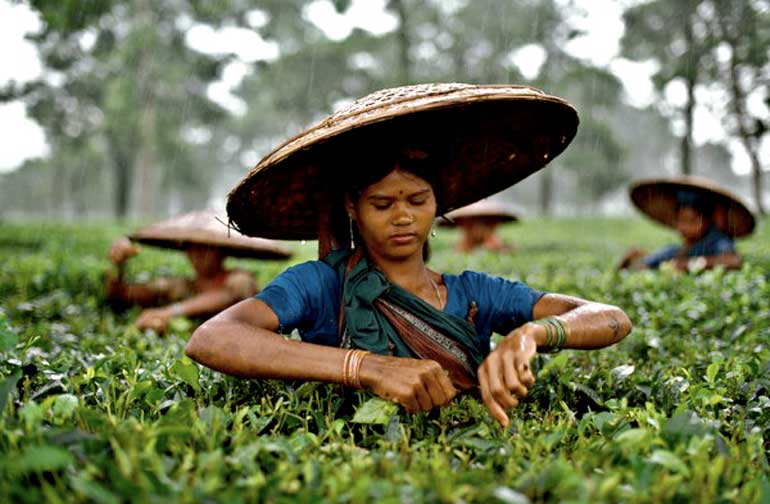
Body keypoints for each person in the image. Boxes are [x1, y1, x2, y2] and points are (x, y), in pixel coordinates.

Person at [185, 83, 632, 427]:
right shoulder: (321, 285)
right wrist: (365, 366)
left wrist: (533, 334)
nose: (403, 218)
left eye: (417, 201)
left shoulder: (474, 293)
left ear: (438, 204)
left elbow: (609, 317)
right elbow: (212, 339)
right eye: (382, 205)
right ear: (352, 208)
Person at [105, 209, 292, 332]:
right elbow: (121, 294)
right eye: (191, 247)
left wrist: (169, 312)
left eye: (206, 248)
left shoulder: (239, 279)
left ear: (222, 251)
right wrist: (119, 265)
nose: (197, 255)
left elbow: (230, 295)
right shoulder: (181, 286)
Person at [618, 177, 755, 272]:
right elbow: (651, 264)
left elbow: (733, 261)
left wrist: (691, 264)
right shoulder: (674, 251)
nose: (684, 227)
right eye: (680, 221)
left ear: (707, 220)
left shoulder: (717, 241)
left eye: (691, 221)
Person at [439, 199, 519, 253]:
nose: (478, 227)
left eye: (487, 221)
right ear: (461, 223)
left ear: (495, 223)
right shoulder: (459, 250)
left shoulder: (503, 249)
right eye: (471, 222)